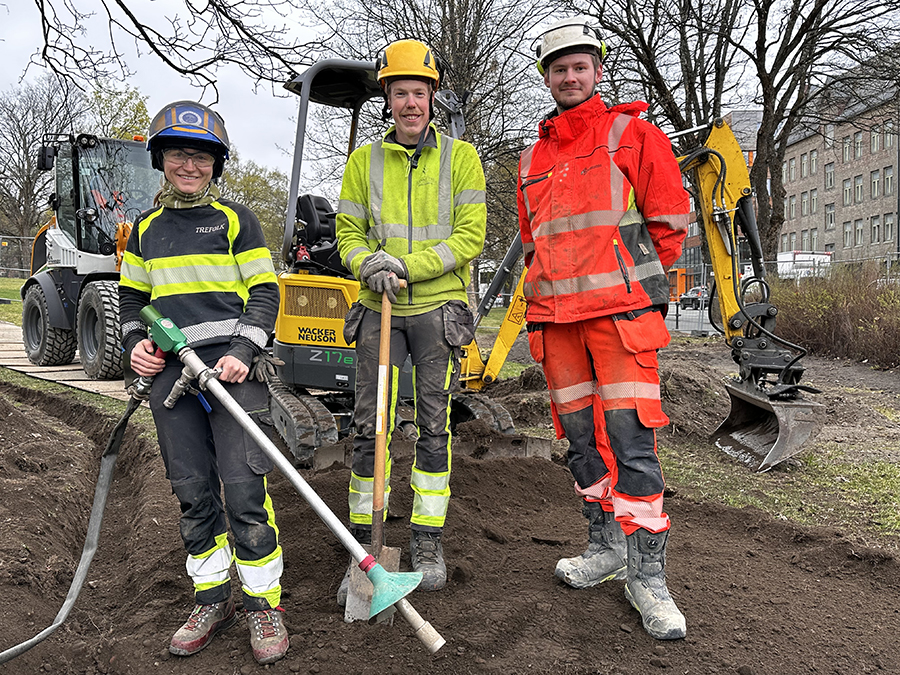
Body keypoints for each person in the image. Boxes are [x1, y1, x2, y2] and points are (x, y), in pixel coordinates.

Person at [517, 19, 691, 640]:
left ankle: (648, 577)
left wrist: (632, 286)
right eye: (558, 68)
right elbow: (534, 239)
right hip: (556, 325)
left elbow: (670, 223)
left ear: (598, 69)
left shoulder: (633, 134)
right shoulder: (534, 155)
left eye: (581, 66)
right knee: (582, 443)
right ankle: (606, 549)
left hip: (619, 324)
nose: (570, 76)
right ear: (547, 76)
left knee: (632, 442)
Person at [118, 101, 288, 665]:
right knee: (193, 493)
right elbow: (134, 304)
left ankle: (265, 606)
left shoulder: (237, 220)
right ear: (161, 160)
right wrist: (135, 347)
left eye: (200, 155)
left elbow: (265, 293)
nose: (188, 165)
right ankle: (212, 600)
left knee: (243, 490)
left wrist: (243, 351)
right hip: (173, 379)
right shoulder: (143, 230)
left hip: (234, 374)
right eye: (178, 154)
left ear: (216, 163)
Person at [334, 39, 487, 603]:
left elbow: (469, 237)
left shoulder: (461, 158)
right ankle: (360, 538)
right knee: (368, 420)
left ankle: (427, 537)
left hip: (436, 307)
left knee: (432, 420)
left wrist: (406, 266)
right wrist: (366, 263)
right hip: (378, 306)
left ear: (432, 97)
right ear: (388, 98)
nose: (409, 103)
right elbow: (347, 234)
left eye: (418, 93)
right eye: (399, 92)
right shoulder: (363, 162)